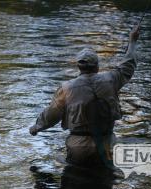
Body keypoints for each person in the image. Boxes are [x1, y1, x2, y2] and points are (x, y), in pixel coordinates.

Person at [29, 26, 140, 167]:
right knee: (105, 181)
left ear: (79, 67)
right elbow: (128, 64)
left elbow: (51, 115)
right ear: (97, 66)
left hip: (79, 148)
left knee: (73, 181)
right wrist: (132, 41)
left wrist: (36, 127)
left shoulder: (66, 88)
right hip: (106, 145)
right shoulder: (111, 79)